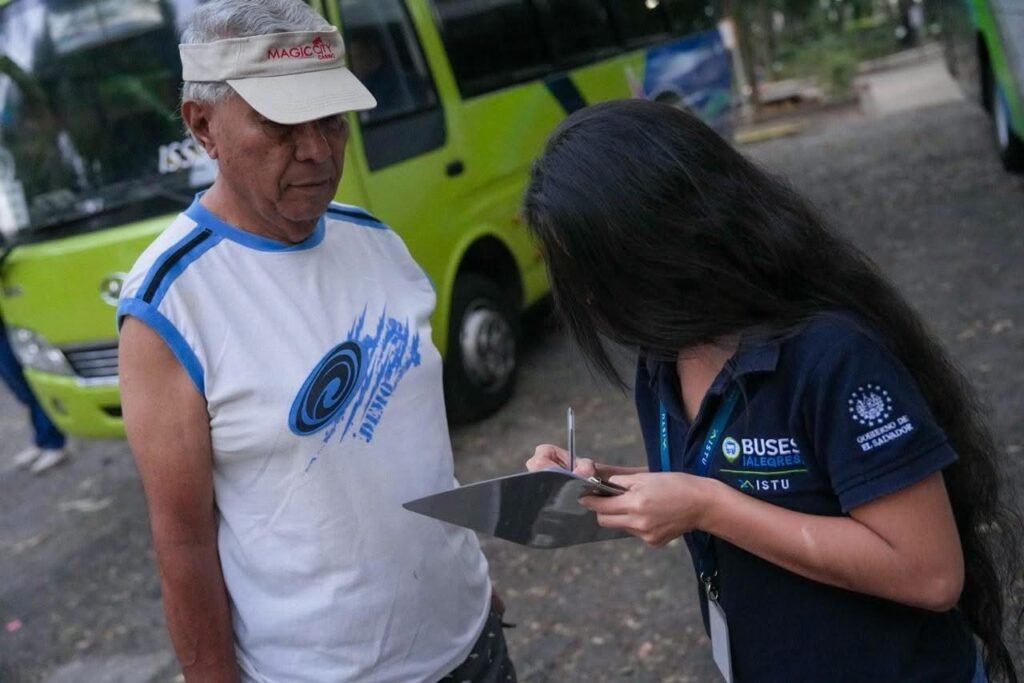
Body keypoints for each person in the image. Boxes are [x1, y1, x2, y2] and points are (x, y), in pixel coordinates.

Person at [522, 99, 1023, 683]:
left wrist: (708, 508)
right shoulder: (664, 355)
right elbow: (734, 476)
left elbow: (930, 573)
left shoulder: (832, 355)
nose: (586, 299)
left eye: (593, 273)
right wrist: (599, 480)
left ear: (657, 243)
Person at [117, 1, 515, 681]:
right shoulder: (170, 306)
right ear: (202, 127)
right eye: (279, 125)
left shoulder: (375, 239)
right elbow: (182, 542)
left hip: (471, 642)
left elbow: (411, 450)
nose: (316, 150)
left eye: (331, 120)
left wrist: (465, 593)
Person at [0, 314, 68, 474]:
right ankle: (42, 440)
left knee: (32, 387)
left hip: (8, 329)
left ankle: (53, 443)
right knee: (23, 391)